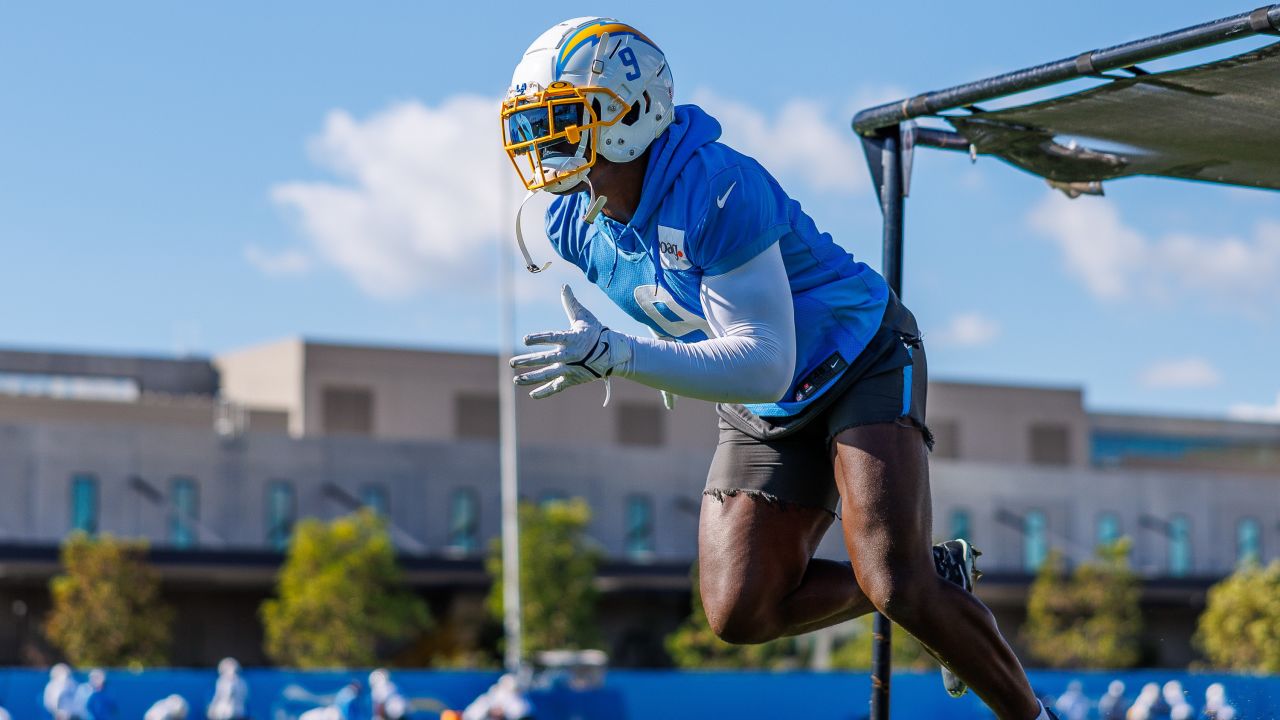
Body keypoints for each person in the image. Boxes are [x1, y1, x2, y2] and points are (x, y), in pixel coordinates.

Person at [500, 16, 1056, 720]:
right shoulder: (570, 223)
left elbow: (763, 360)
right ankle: (939, 570)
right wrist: (654, 353)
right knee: (740, 609)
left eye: (562, 120)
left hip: (858, 358)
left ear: (631, 114)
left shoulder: (715, 187)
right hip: (770, 397)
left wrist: (625, 356)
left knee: (897, 583)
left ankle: (1032, 713)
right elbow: (703, 323)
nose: (545, 145)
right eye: (535, 126)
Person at [462, 674, 532, 720]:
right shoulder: (487, 698)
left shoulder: (520, 700)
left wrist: (503, 713)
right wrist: (489, 711)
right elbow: (469, 715)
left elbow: (521, 713)